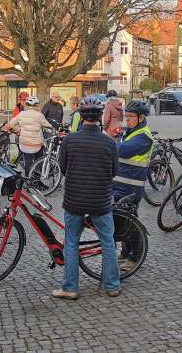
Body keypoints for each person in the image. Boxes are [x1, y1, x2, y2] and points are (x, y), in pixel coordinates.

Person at [53, 96, 120, 299]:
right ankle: (112, 286)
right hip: (100, 200)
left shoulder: (69, 140)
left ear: (81, 116)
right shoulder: (109, 142)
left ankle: (70, 288)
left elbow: (62, 169)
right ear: (100, 117)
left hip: (74, 200)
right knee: (108, 242)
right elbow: (113, 172)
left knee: (71, 242)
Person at [111, 100, 153, 271]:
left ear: (141, 118)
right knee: (120, 220)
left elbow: (122, 150)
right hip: (120, 184)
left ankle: (135, 256)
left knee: (129, 222)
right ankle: (126, 251)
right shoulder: (131, 132)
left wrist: (105, 142)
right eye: (125, 116)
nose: (127, 120)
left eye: (130, 117)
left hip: (131, 186)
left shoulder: (143, 137)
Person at [8, 96, 52, 176]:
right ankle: (37, 180)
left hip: (24, 143)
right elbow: (48, 126)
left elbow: (11, 124)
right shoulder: (39, 115)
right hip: (36, 144)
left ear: (27, 105)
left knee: (27, 162)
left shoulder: (21, 114)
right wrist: (52, 131)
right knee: (38, 161)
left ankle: (28, 180)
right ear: (35, 105)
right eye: (38, 105)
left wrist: (18, 130)